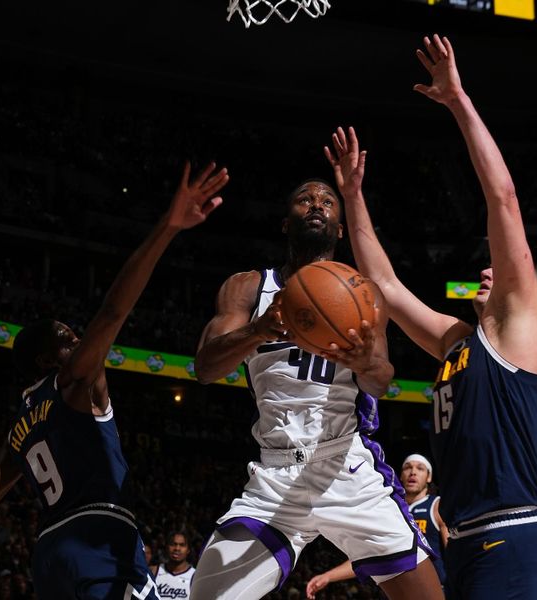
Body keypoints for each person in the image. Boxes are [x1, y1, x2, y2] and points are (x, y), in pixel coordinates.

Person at [0, 161, 229, 600]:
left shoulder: (21, 426)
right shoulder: (74, 381)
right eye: (68, 340)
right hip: (100, 534)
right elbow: (113, 312)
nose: (80, 343)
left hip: (50, 554)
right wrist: (167, 229)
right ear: (46, 359)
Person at [323, 34, 537, 599]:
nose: (488, 270)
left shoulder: (520, 330)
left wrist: (457, 100)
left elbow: (502, 197)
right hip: (464, 538)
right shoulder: (459, 341)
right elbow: (383, 287)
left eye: (501, 271)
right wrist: (354, 196)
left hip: (513, 528)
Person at [189, 179, 443, 599]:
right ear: (285, 224)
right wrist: (258, 329)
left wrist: (364, 362)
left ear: (340, 230)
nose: (316, 205)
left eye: (327, 201)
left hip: (345, 467)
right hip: (274, 477)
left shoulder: (364, 295)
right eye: (304, 199)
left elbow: (380, 380)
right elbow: (204, 368)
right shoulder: (250, 287)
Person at [305, 453, 447, 599]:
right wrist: (328, 576)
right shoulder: (387, 507)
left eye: (420, 468)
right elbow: (372, 552)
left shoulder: (436, 506)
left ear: (429, 477)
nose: (413, 472)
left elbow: (454, 550)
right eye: (408, 467)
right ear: (401, 475)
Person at [154, 531, 195, 599]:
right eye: (173, 544)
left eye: (182, 545)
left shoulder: (195, 576)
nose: (177, 548)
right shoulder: (154, 571)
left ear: (188, 550)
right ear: (167, 547)